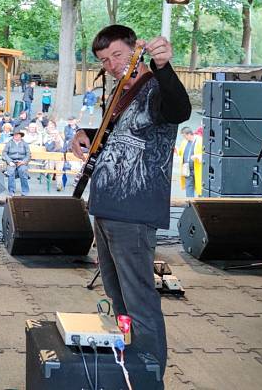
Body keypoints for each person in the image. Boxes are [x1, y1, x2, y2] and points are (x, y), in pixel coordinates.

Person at [70, 25, 191, 376]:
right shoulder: (123, 91)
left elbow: (178, 110)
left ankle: (150, 374)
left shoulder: (155, 87)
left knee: (139, 299)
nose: (111, 64)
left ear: (136, 49)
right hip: (106, 207)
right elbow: (122, 134)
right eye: (105, 60)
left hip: (133, 211)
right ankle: (129, 362)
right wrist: (85, 134)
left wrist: (164, 66)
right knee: (116, 293)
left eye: (118, 55)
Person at [2, 129, 31, 196]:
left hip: (22, 162)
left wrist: (23, 161)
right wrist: (9, 162)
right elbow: (4, 153)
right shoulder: (9, 143)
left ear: (21, 136)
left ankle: (25, 190)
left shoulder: (25, 144)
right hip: (12, 161)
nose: (16, 136)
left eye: (18, 135)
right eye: (14, 135)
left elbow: (28, 154)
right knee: (11, 172)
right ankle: (11, 191)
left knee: (23, 171)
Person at [177, 127, 202, 197]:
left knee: (200, 188)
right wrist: (176, 150)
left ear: (188, 134)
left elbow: (206, 153)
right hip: (187, 169)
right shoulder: (184, 142)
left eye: (184, 136)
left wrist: (198, 156)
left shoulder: (200, 140)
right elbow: (181, 153)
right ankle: (189, 204)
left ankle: (200, 204)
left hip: (198, 169)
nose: (184, 138)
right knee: (189, 187)